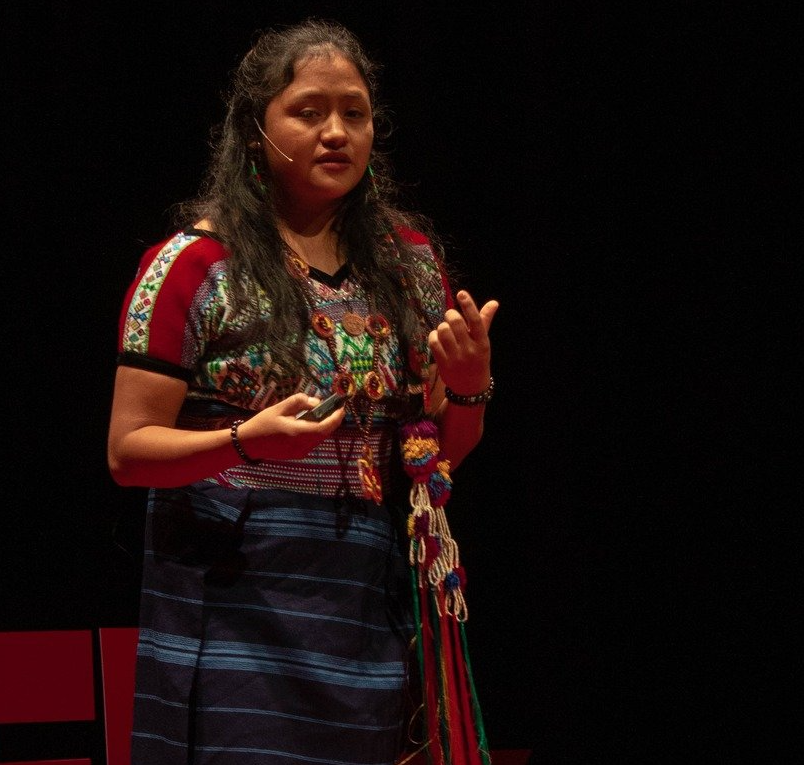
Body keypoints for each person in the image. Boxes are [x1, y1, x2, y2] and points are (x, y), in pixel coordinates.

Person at [107, 18, 498, 764]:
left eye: (353, 112)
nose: (335, 132)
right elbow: (127, 452)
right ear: (256, 131)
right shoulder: (192, 266)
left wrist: (470, 388)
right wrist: (244, 440)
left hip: (364, 595)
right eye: (308, 111)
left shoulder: (411, 267)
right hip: (232, 594)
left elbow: (437, 460)